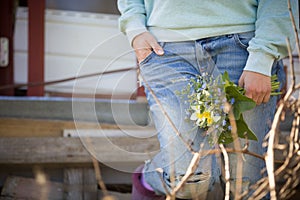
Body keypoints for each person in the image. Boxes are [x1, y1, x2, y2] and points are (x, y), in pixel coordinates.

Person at [117, 0, 299, 199]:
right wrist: (135, 29)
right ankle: (150, 178)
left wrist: (263, 56)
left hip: (244, 47)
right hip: (166, 49)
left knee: (247, 183)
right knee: (189, 178)